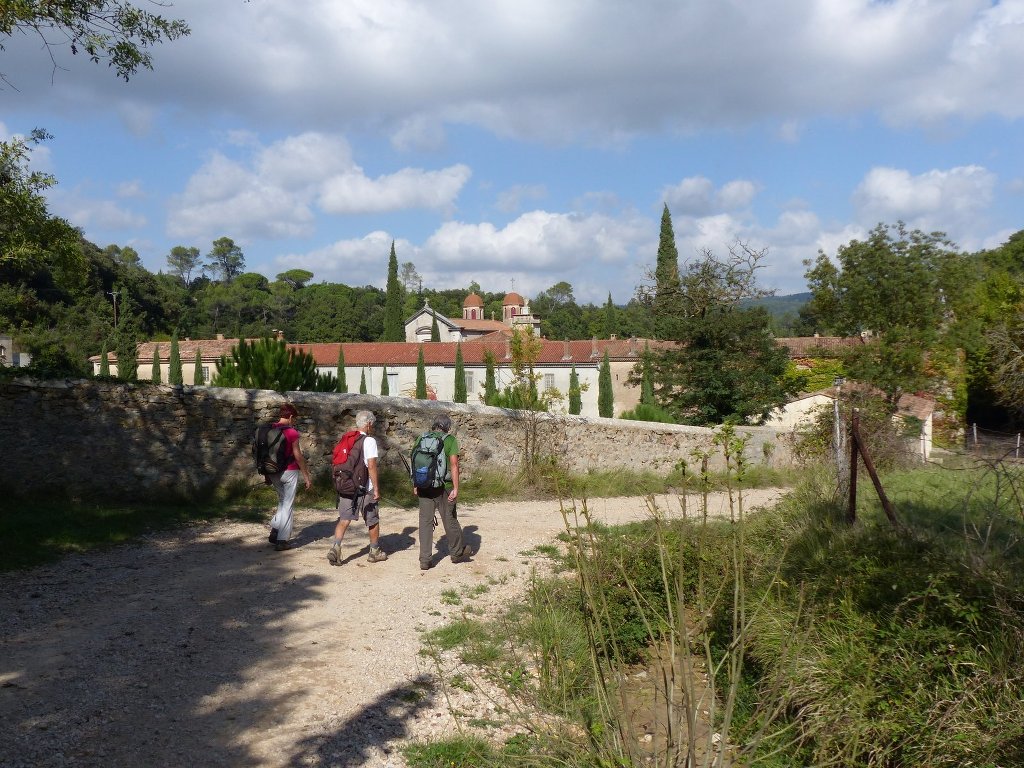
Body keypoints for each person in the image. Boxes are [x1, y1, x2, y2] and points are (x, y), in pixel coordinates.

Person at [327, 410, 388, 565]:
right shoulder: (369, 441)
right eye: (372, 424)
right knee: (372, 519)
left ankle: (336, 547)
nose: (372, 427)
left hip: (347, 485)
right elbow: (372, 465)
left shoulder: (348, 439)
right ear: (368, 424)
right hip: (364, 487)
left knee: (344, 519)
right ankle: (374, 551)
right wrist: (376, 489)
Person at [414, 414, 471, 570]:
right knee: (449, 519)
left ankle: (425, 560)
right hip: (444, 486)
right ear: (448, 427)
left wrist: (415, 483)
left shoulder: (422, 438)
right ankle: (457, 553)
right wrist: (456, 488)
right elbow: (454, 464)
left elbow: (415, 461)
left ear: (434, 425)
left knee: (425, 522)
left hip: (424, 486)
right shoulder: (450, 440)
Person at [267, 403, 312, 551]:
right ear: (291, 416)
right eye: (294, 418)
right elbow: (298, 456)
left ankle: (275, 530)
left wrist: (267, 474)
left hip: (273, 471)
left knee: (282, 500)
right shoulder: (291, 433)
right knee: (288, 504)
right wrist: (306, 476)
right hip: (290, 471)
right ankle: (282, 540)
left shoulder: (270, 429)